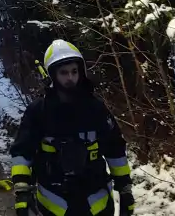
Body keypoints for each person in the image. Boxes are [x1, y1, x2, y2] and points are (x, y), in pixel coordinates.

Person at [9, 40, 134, 216]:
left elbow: (115, 149)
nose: (70, 78)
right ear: (53, 75)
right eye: (64, 73)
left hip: (97, 203)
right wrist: (22, 191)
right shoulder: (39, 111)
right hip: (53, 203)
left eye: (74, 72)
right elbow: (23, 152)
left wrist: (125, 189)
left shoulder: (96, 109)